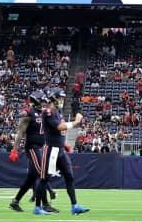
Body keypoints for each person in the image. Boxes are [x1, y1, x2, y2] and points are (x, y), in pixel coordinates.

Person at [35, 88, 89, 216]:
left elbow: (64, 128)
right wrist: (75, 121)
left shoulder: (57, 112)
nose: (62, 100)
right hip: (51, 150)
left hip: (60, 149)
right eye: (60, 98)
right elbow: (59, 127)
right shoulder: (48, 112)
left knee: (69, 176)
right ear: (54, 98)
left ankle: (74, 206)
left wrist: (78, 121)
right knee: (44, 179)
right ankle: (37, 207)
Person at [9, 90, 55, 213]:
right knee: (42, 173)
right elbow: (20, 133)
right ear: (37, 101)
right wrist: (15, 150)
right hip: (32, 147)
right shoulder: (29, 114)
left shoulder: (45, 113)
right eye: (42, 100)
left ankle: (15, 201)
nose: (45, 102)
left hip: (41, 147)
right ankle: (44, 204)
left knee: (31, 178)